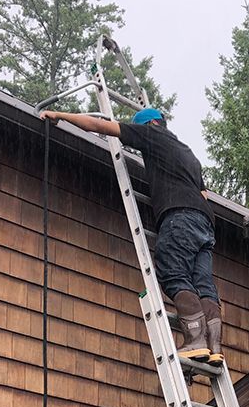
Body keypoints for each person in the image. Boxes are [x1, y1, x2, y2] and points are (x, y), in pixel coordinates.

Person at [40, 106, 222, 365]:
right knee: (203, 284)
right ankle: (214, 346)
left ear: (149, 125)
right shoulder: (188, 153)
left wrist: (60, 115)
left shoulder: (152, 135)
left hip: (179, 215)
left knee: (173, 273)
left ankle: (195, 341)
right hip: (205, 224)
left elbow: (101, 126)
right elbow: (203, 195)